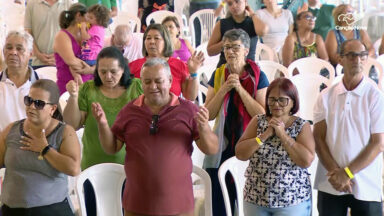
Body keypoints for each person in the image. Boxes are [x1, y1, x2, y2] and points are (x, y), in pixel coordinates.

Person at [92, 57, 218, 216]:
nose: (153, 87)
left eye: (158, 81)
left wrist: (204, 128)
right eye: (147, 81)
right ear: (141, 82)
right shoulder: (129, 111)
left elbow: (211, 149)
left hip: (179, 205)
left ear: (170, 80)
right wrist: (103, 124)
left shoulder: (188, 110)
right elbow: (111, 148)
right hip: (137, 205)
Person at [63, 46, 143, 216]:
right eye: (103, 71)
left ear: (123, 70)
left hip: (130, 166)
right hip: (94, 164)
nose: (108, 76)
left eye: (113, 71)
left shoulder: (136, 88)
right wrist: (73, 96)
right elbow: (72, 123)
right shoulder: (88, 89)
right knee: (94, 210)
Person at [313, 39, 384, 216]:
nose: (358, 60)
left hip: (366, 181)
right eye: (352, 55)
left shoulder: (375, 96)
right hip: (331, 181)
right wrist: (336, 173)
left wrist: (347, 173)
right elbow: (318, 138)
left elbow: (378, 143)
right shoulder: (326, 96)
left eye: (362, 55)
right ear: (340, 59)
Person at [203, 29, 269, 216]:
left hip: (248, 143)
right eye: (226, 48)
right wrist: (224, 88)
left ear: (246, 50)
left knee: (245, 201)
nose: (230, 52)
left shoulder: (258, 76)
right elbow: (208, 114)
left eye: (235, 47)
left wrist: (240, 89)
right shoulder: (217, 75)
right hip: (221, 145)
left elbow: (262, 114)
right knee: (219, 202)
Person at [0, 79, 81, 216]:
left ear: (53, 108)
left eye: (39, 104)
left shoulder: (65, 132)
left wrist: (45, 149)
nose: (31, 106)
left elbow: (73, 169)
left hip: (51, 210)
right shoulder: (11, 130)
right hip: (12, 209)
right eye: (29, 100)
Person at [236, 77, 315, 216]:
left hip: (292, 200)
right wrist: (264, 136)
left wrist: (283, 135)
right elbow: (240, 153)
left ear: (292, 103)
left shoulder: (302, 125)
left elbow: (306, 161)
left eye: (282, 100)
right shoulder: (258, 121)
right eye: (272, 99)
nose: (276, 104)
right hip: (255, 198)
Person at [129, 23, 204, 101]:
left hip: (172, 112)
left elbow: (190, 97)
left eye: (156, 38)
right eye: (148, 38)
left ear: (166, 41)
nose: (152, 42)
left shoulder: (179, 65)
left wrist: (193, 72)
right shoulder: (134, 66)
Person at [207, 0, 268, 67]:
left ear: (245, 2)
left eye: (237, 1)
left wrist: (252, 14)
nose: (234, 6)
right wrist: (225, 42)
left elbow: (263, 31)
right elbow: (210, 51)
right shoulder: (222, 23)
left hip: (248, 69)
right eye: (230, 4)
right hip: (225, 69)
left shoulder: (253, 23)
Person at [0, 31, 40, 131]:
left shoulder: (42, 83)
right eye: (9, 48)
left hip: (33, 143)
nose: (13, 52)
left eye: (19, 49)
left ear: (30, 54)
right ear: (4, 52)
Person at [53, 3, 94, 94]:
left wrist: (92, 69)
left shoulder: (86, 35)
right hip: (68, 89)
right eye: (88, 17)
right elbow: (71, 61)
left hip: (88, 87)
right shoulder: (62, 35)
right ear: (78, 15)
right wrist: (92, 69)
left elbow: (98, 59)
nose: (91, 21)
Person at [24, 0, 72, 68]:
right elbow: (28, 32)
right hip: (36, 62)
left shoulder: (69, 4)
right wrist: (38, 54)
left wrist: (59, 54)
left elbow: (72, 34)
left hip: (62, 62)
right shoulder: (31, 3)